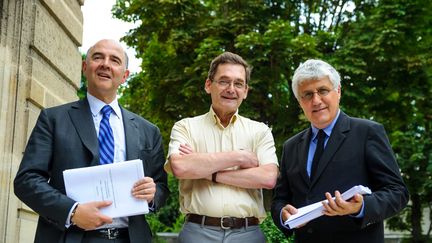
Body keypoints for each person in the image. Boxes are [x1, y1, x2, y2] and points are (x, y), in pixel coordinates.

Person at [14, 39, 169, 243]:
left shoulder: (148, 131)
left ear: (124, 76)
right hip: (69, 237)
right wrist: (72, 211)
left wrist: (152, 194)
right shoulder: (53, 119)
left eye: (114, 60)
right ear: (85, 68)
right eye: (98, 57)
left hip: (129, 238)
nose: (105, 63)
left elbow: (161, 188)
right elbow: (27, 180)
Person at [271, 59, 409, 243]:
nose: (316, 100)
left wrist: (360, 207)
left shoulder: (367, 132)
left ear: (338, 92)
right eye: (307, 94)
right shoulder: (291, 146)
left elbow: (397, 192)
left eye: (323, 90)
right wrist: (282, 214)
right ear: (299, 101)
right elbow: (280, 199)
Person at [164, 52, 279, 242]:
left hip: (247, 234)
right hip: (197, 232)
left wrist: (208, 171)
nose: (231, 89)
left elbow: (267, 178)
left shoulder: (260, 131)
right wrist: (239, 157)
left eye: (238, 83)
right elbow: (180, 167)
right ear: (208, 85)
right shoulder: (185, 127)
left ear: (246, 91)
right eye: (224, 81)